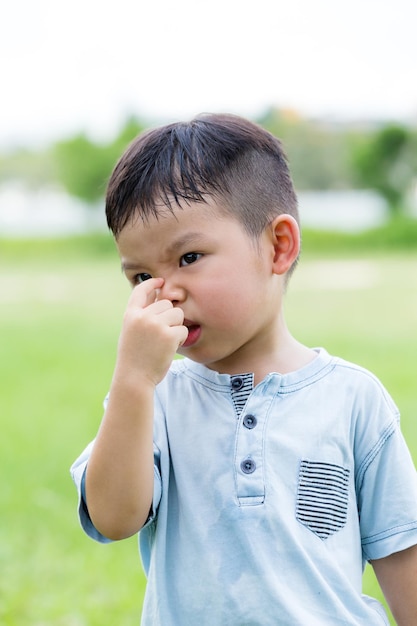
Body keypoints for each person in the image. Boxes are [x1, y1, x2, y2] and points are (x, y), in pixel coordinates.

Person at [71, 113, 417, 625]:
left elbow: (401, 554)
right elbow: (114, 518)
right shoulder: (151, 398)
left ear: (278, 246)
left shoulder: (353, 399)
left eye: (188, 257)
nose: (164, 290)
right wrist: (134, 381)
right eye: (141, 274)